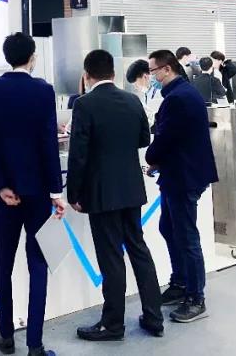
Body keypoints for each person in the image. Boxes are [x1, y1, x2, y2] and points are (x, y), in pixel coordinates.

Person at [0, 33, 64, 356]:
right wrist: (55, 190)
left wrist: (0, 185)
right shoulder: (43, 91)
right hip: (38, 191)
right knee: (37, 264)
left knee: (4, 263)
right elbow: (48, 143)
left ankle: (6, 335)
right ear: (32, 57)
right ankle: (35, 345)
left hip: (6, 195)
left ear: (6, 57)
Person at [67, 49, 163, 341]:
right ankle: (154, 317)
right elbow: (144, 139)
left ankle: (112, 324)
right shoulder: (132, 100)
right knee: (138, 249)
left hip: (101, 193)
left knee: (111, 257)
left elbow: (78, 154)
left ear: (87, 75)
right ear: (113, 72)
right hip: (131, 188)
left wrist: (73, 192)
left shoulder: (84, 104)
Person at [145, 49, 217, 323]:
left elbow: (166, 137)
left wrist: (152, 157)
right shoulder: (183, 93)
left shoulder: (178, 98)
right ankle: (180, 282)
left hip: (184, 176)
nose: (152, 77)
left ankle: (196, 297)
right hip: (179, 172)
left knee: (186, 235)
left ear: (166, 69)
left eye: (153, 71)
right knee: (169, 227)